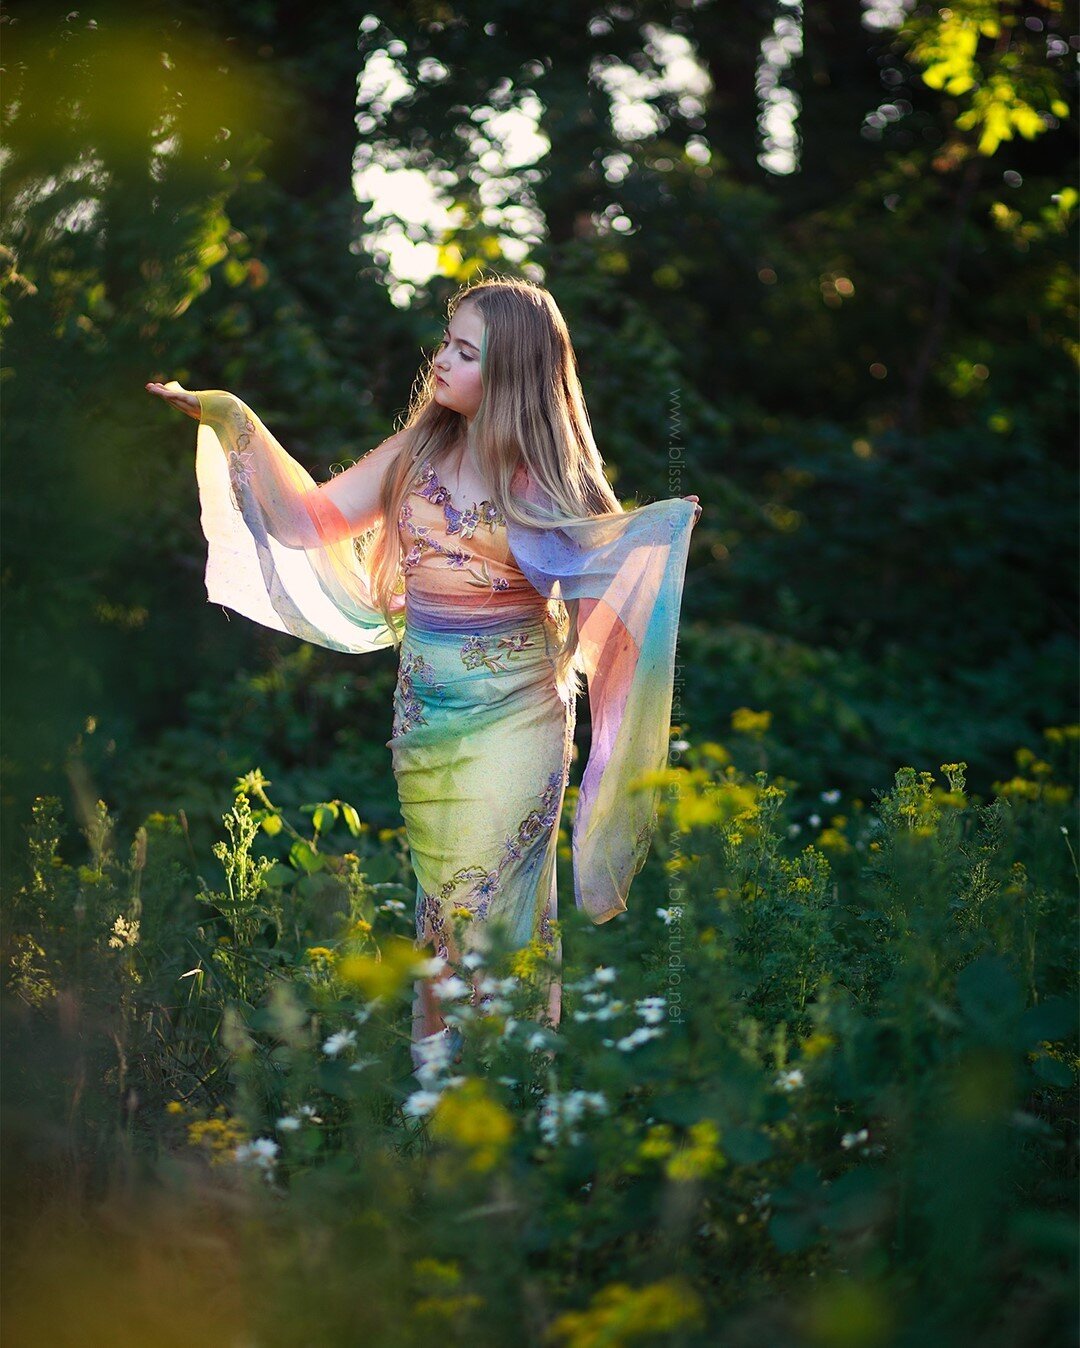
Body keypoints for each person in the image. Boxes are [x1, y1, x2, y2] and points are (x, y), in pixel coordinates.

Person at [147, 276, 701, 1073]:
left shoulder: (549, 483)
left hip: (518, 727)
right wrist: (234, 418)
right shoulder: (420, 450)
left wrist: (655, 539)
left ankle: (496, 1098)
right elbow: (309, 520)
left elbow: (602, 611)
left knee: (483, 916)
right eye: (447, 342)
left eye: (465, 352)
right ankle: (439, 1112)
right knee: (440, 919)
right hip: (426, 725)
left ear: (510, 373)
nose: (440, 360)